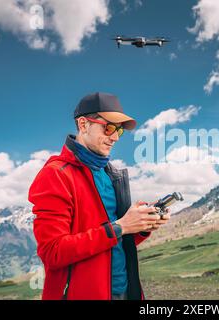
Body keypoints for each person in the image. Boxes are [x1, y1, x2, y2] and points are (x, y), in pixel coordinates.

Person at [28, 92, 170, 300]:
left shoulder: (111, 175)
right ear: (83, 125)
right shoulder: (56, 175)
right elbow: (53, 252)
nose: (114, 137)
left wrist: (140, 225)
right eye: (108, 127)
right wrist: (122, 226)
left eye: (119, 131)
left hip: (124, 291)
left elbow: (111, 242)